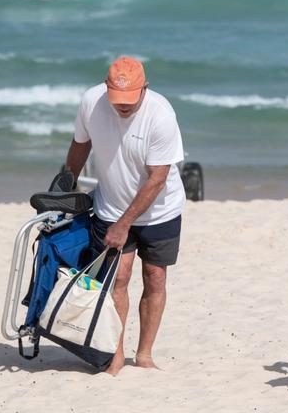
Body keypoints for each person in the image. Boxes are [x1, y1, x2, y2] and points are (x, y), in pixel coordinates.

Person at [65, 56, 186, 375]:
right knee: (118, 277)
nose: (124, 107)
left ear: (144, 88)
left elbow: (157, 179)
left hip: (161, 210)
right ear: (106, 88)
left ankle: (144, 354)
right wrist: (65, 183)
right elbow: (81, 144)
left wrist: (124, 223)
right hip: (110, 205)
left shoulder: (160, 115)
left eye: (130, 100)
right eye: (118, 100)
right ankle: (115, 354)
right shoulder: (92, 102)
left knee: (155, 276)